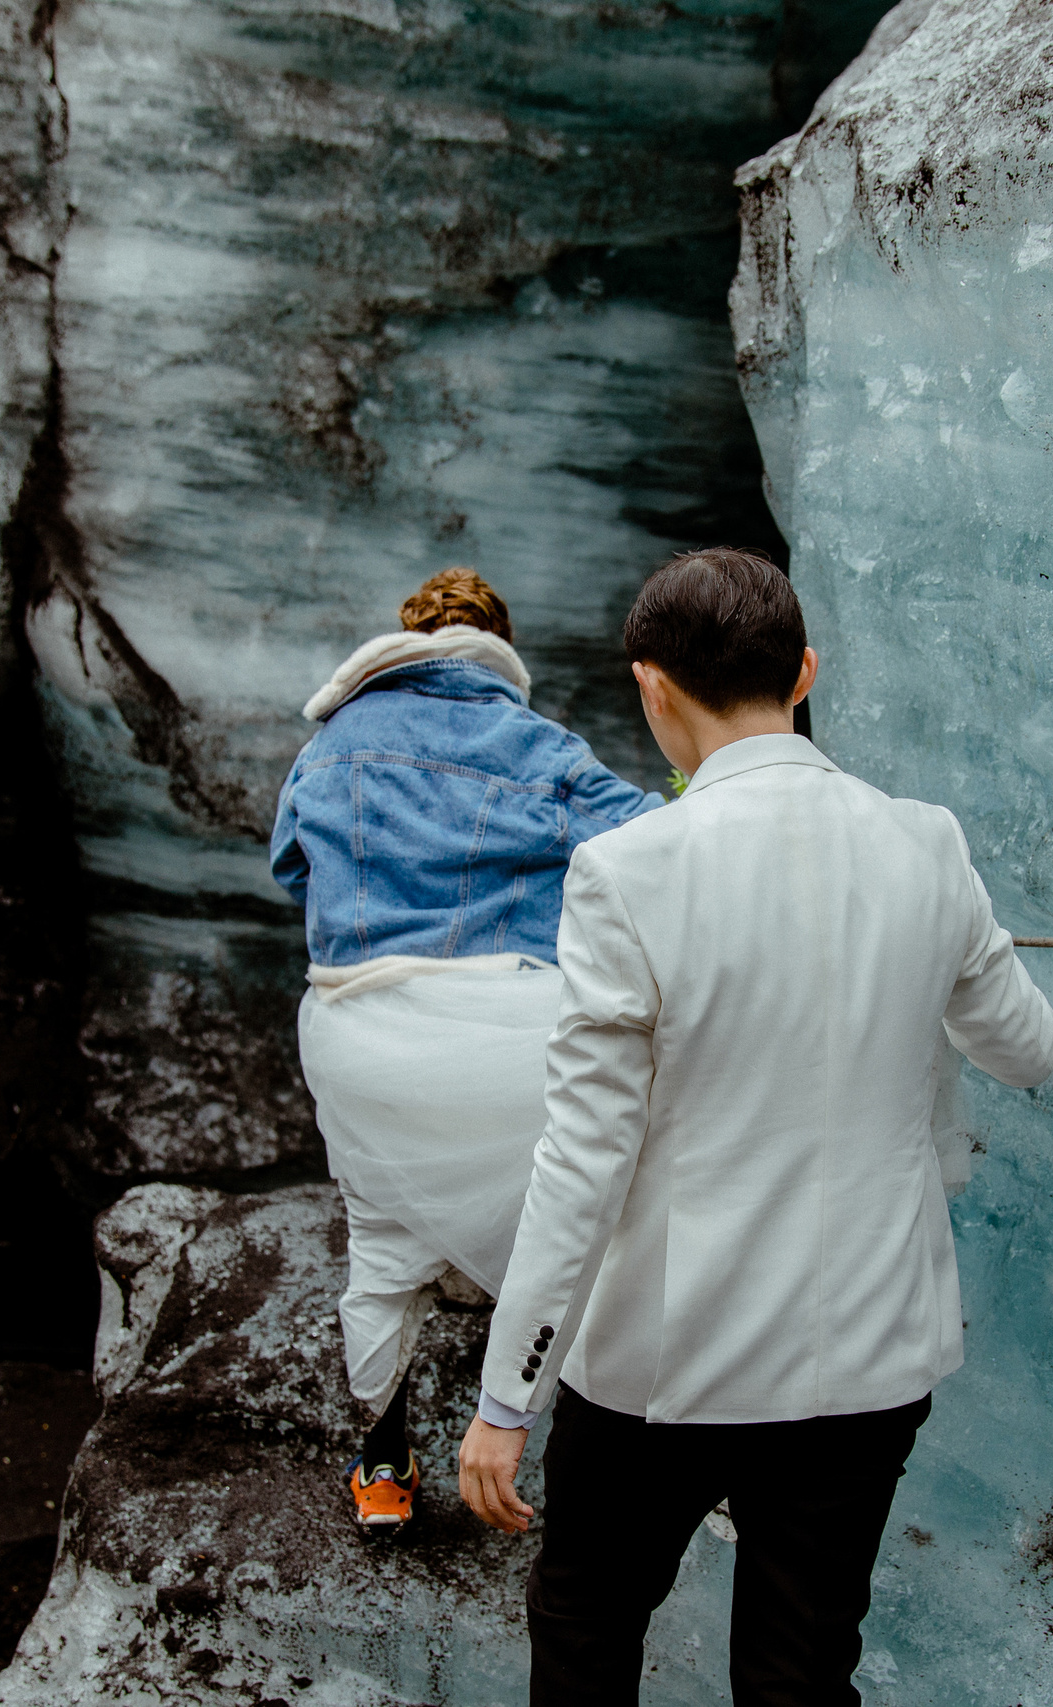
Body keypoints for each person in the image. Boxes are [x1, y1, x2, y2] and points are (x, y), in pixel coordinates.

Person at [456, 548, 1053, 1704]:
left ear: (652, 688)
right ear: (805, 673)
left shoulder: (624, 872)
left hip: (668, 1366)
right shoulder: (927, 843)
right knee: (799, 1668)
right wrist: (951, 944)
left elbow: (581, 1163)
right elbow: (1026, 1051)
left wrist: (505, 1402)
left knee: (585, 1622)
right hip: (865, 1359)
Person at [271, 566, 659, 1532]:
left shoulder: (327, 748)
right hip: (504, 1041)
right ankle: (582, 1438)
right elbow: (656, 840)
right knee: (578, 1213)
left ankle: (384, 1471)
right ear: (499, 644)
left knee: (380, 1240)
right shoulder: (536, 744)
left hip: (356, 1036)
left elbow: (290, 869)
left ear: (409, 637)